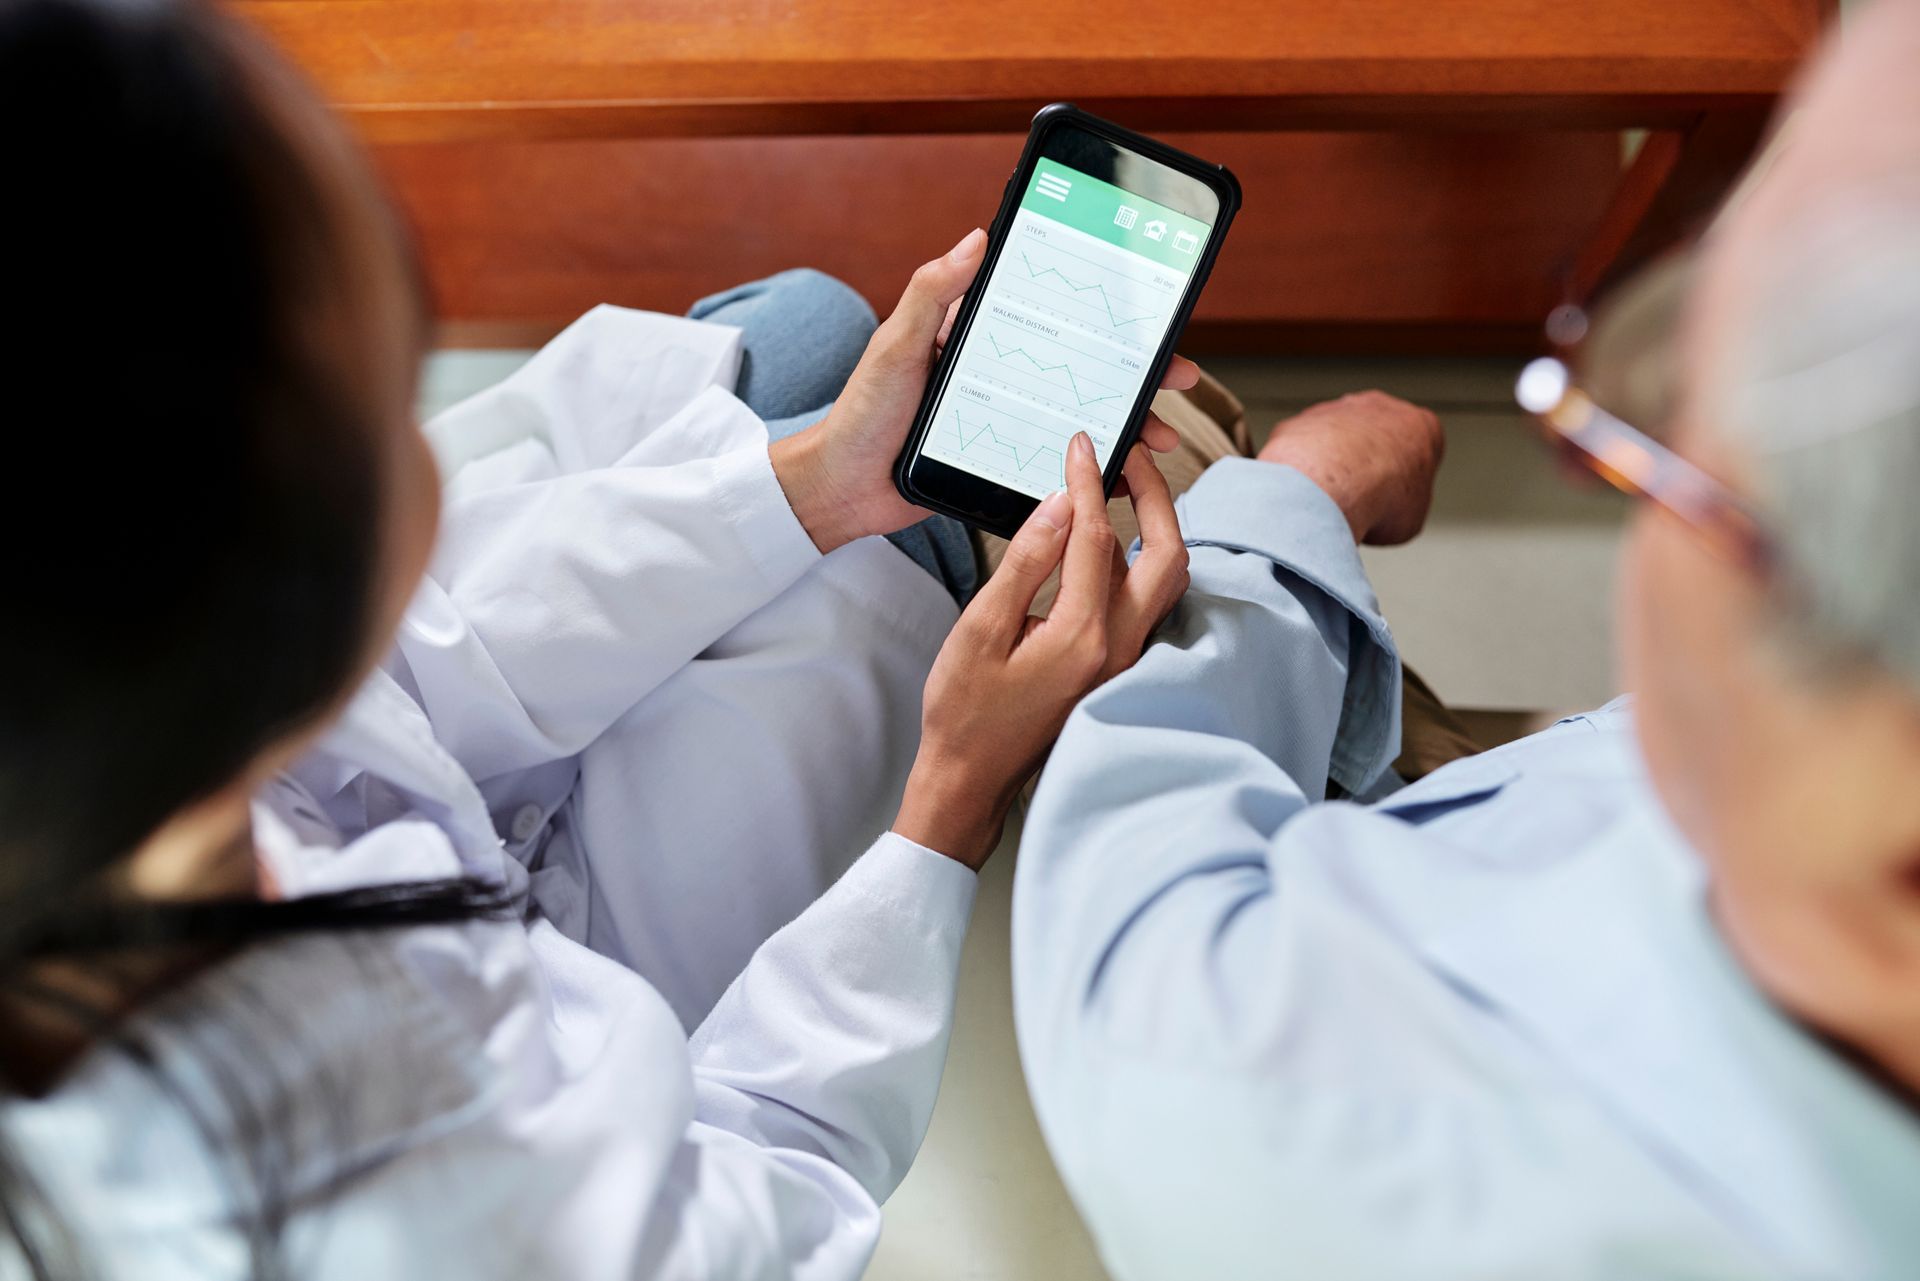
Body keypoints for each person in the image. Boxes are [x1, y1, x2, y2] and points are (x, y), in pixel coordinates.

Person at [0, 0, 1192, 1276]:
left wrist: (813, 487)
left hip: (467, 890)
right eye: (395, 390)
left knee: (809, 343)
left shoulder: (93, 690)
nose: (422, 443)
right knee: (927, 535)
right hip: (636, 1059)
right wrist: (955, 799)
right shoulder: (422, 1166)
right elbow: (776, 1183)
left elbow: (423, 677)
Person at [1011, 1, 1920, 1277]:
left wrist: (1301, 493)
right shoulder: (1805, 834)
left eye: (1654, 427)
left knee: (1104, 486)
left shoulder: (1283, 1121)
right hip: (1469, 801)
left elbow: (1137, 895)